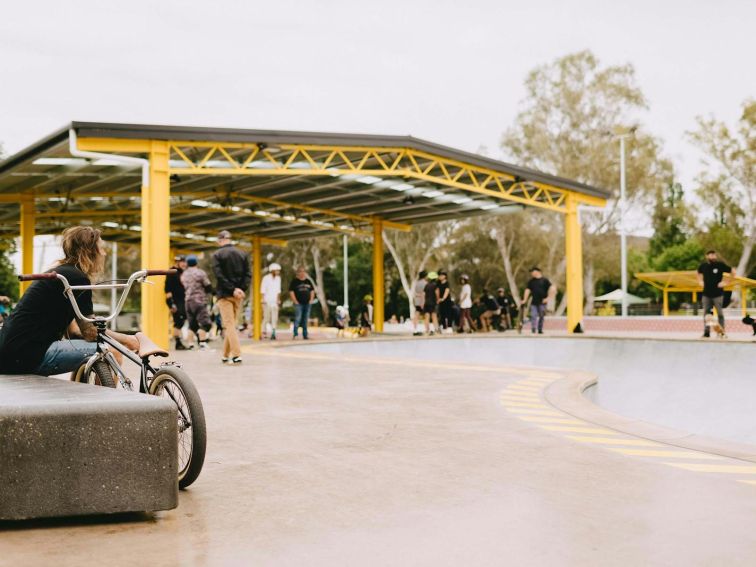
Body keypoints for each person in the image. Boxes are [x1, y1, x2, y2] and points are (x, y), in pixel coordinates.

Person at [0, 226, 138, 375]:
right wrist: (126, 340)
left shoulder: (62, 274)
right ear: (90, 251)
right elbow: (90, 332)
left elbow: (74, 332)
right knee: (111, 353)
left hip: (10, 354)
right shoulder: (77, 278)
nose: (104, 253)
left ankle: (83, 394)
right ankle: (101, 398)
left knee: (90, 352)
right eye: (101, 248)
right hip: (28, 355)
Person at [212, 230, 251, 365]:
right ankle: (225, 355)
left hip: (224, 294)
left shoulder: (217, 254)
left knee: (229, 325)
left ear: (220, 240)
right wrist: (240, 289)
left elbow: (219, 275)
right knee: (231, 325)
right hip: (238, 295)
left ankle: (236, 355)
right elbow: (248, 274)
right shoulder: (242, 253)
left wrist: (231, 289)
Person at [697, 250, 735, 338]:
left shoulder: (720, 265)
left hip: (718, 294)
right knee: (706, 314)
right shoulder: (703, 266)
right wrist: (700, 281)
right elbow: (698, 272)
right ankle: (706, 333)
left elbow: (733, 271)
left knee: (720, 314)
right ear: (707, 256)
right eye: (711, 255)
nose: (713, 256)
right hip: (706, 294)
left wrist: (726, 282)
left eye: (714, 255)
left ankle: (722, 332)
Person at [181, 255, 213, 350]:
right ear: (196, 263)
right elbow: (208, 286)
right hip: (199, 300)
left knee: (192, 324)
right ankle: (202, 343)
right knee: (205, 323)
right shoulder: (200, 273)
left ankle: (191, 344)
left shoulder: (184, 274)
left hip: (188, 301)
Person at [165, 254, 192, 350]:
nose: (185, 264)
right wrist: (171, 303)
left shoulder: (182, 272)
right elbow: (167, 289)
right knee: (178, 322)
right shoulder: (171, 272)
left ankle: (179, 342)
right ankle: (178, 343)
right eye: (183, 262)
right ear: (177, 262)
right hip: (175, 301)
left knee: (181, 321)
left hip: (182, 300)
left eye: (185, 262)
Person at [522, 267, 554, 335]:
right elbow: (527, 290)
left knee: (541, 316)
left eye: (532, 272)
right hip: (534, 302)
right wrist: (525, 299)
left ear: (537, 272)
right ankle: (533, 328)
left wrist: (548, 298)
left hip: (542, 302)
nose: (531, 273)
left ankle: (540, 329)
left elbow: (552, 289)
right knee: (533, 315)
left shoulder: (545, 280)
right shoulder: (531, 281)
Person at [288, 266, 315, 339]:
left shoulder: (308, 281)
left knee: (305, 319)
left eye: (304, 271)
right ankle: (295, 334)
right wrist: (295, 301)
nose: (302, 273)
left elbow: (312, 291)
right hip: (298, 304)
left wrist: (311, 300)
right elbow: (291, 292)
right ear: (298, 273)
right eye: (301, 271)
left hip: (307, 303)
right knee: (298, 318)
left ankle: (305, 334)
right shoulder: (294, 281)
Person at [260, 263, 282, 340]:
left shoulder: (278, 278)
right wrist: (263, 299)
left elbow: (278, 290)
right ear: (272, 271)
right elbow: (263, 289)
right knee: (266, 317)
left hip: (274, 301)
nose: (278, 272)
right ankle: (263, 332)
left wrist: (278, 299)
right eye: (276, 270)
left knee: (274, 317)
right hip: (266, 300)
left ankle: (273, 332)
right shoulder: (266, 278)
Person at [412, 271, 427, 336]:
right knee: (426, 316)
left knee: (416, 316)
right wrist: (423, 302)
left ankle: (415, 329)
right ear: (425, 276)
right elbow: (424, 294)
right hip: (423, 302)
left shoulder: (417, 283)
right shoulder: (425, 283)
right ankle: (426, 329)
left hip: (417, 302)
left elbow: (415, 293)